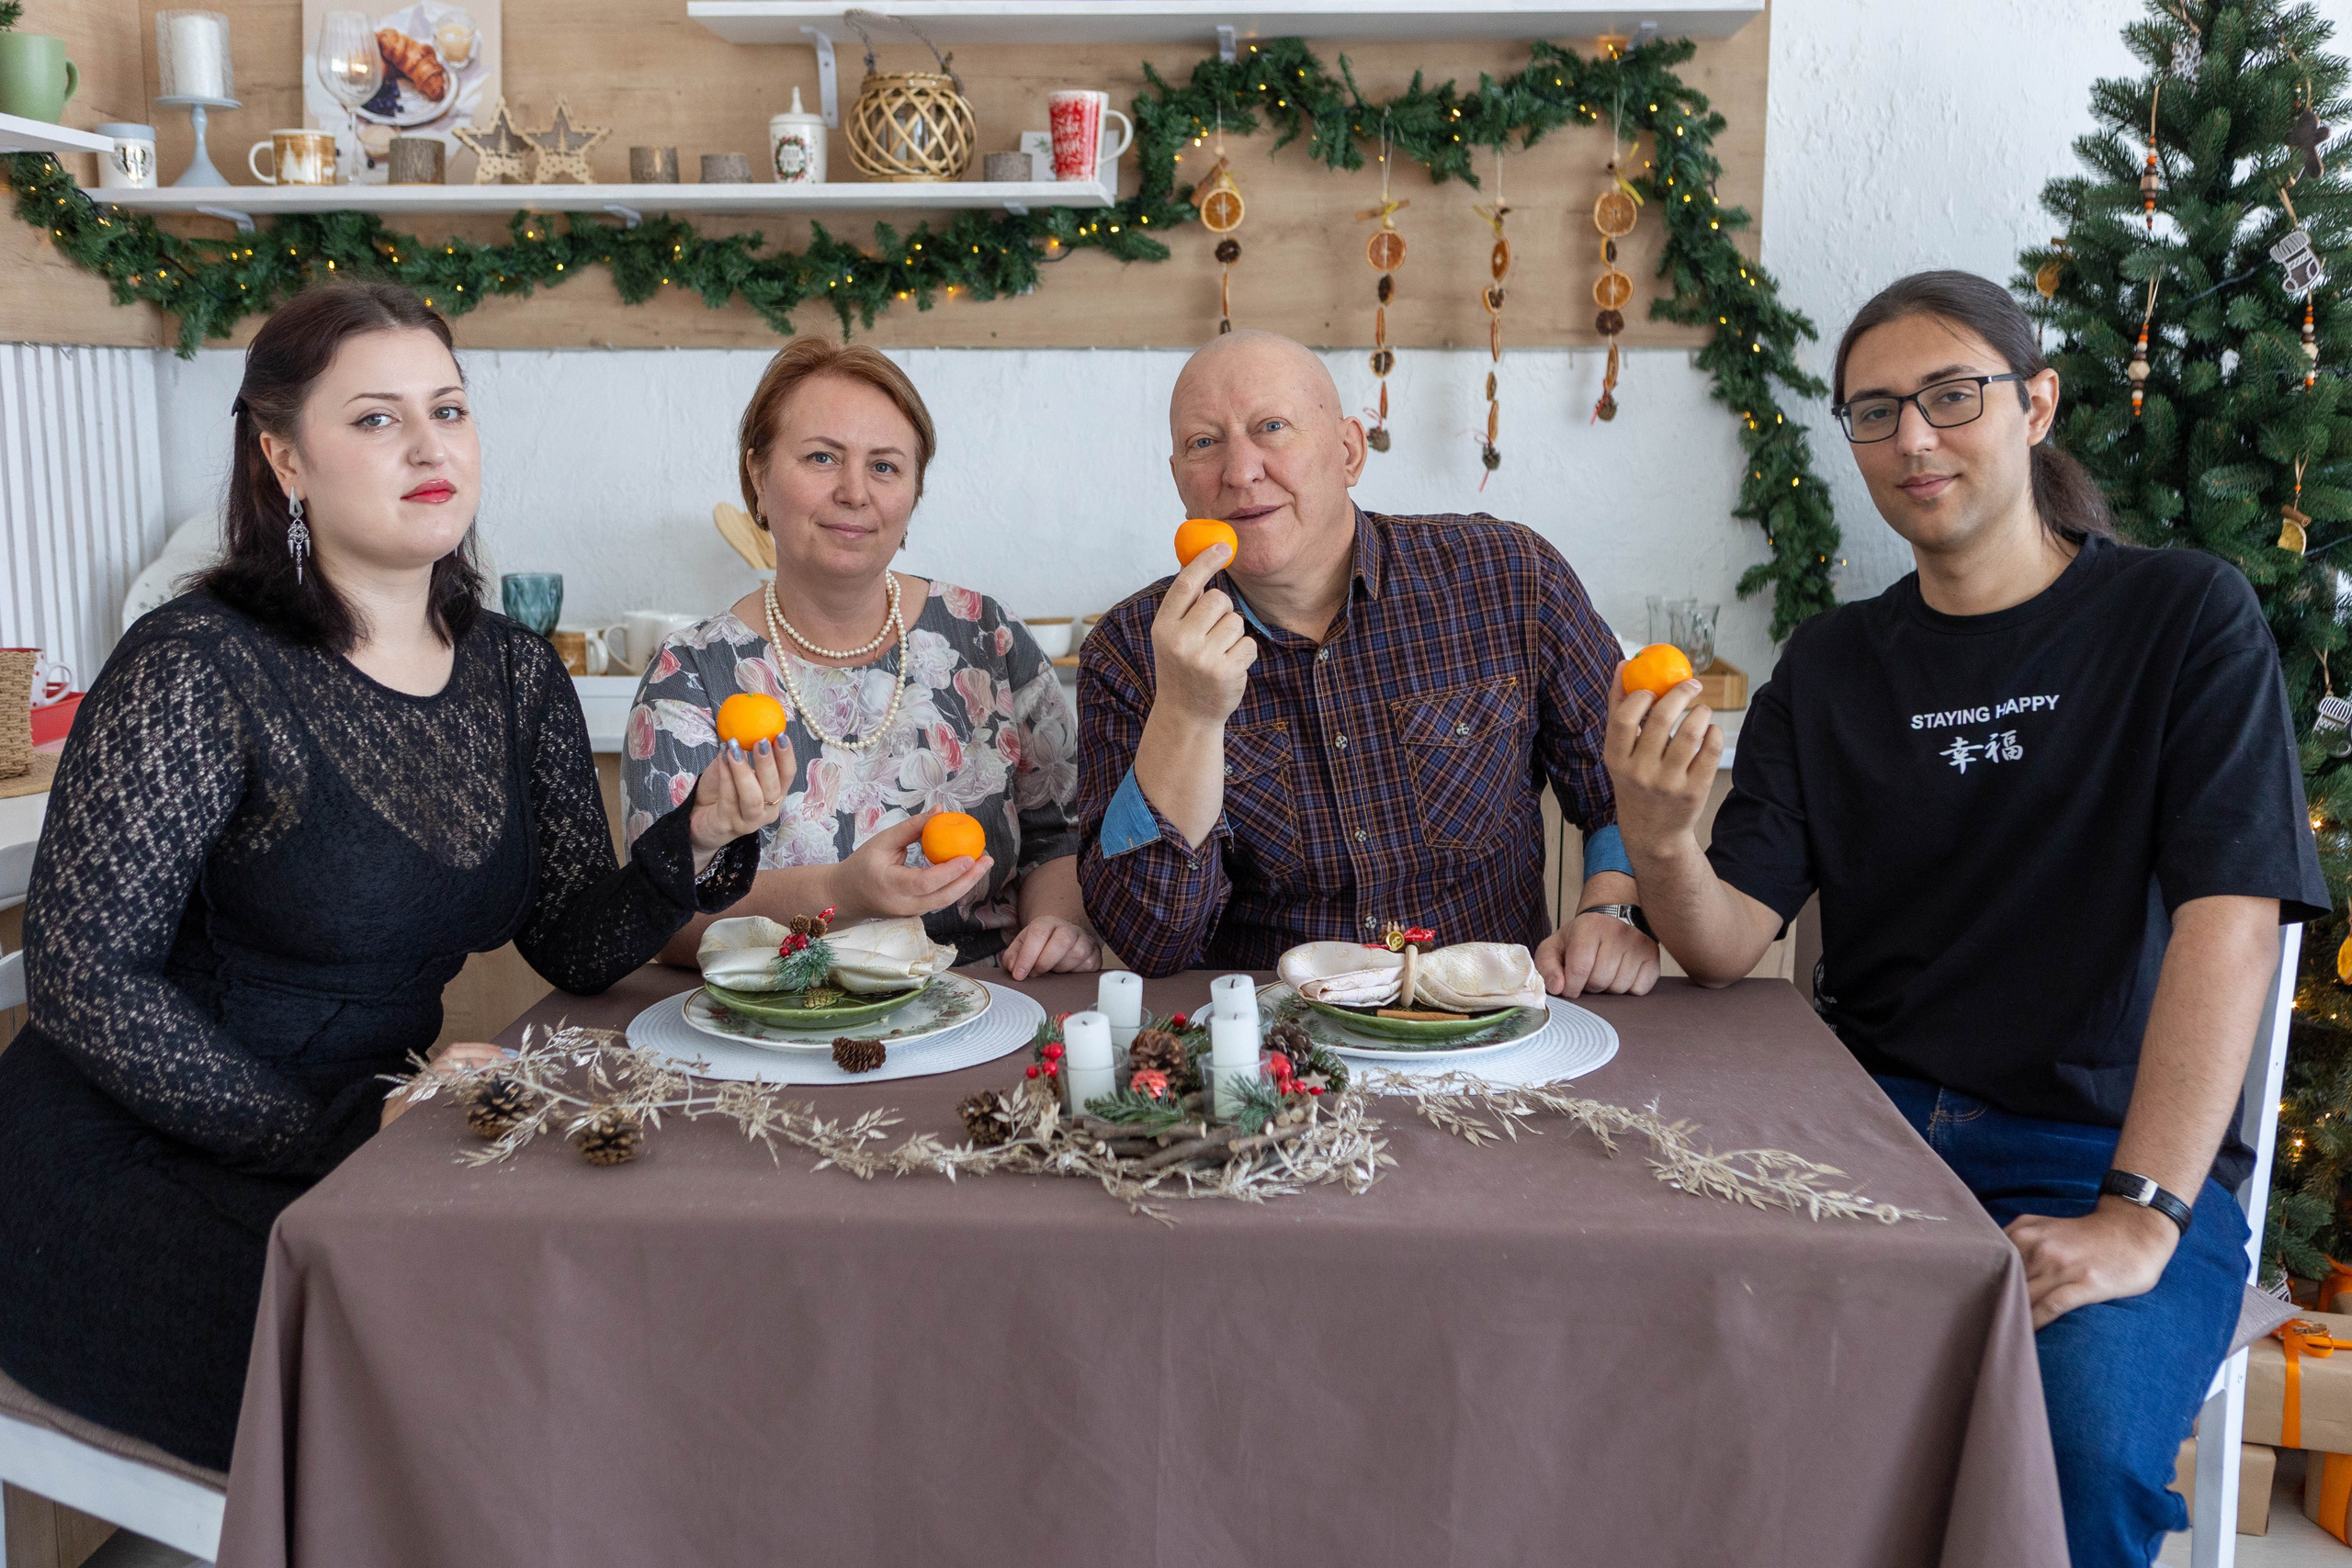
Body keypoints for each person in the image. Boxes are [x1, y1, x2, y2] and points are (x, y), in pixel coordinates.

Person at [1604, 270, 2327, 1567]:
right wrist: (1659, 839)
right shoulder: (1830, 665)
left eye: (1951, 396)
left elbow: (2232, 917)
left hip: (2105, 1150)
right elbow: (1722, 941)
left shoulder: (2180, 616)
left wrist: (2140, 1213)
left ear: (2035, 405)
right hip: (1861, 1136)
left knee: (2076, 1451)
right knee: (1693, 1393)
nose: (1913, 439)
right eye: (1875, 412)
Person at [0, 282, 783, 1472]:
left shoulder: (513, 672)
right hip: (136, 1162)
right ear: (284, 459)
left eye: (448, 409)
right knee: (462, 1381)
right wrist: (340, 1128)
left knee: (615, 1302)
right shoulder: (197, 663)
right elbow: (83, 980)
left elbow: (573, 941)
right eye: (376, 418)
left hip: (382, 1135)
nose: (430, 446)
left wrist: (699, 838)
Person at [1075, 329, 1658, 988]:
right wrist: (1186, 715)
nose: (1239, 471)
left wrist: (1613, 906)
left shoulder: (1510, 576)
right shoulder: (1127, 653)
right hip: (1275, 1038)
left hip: (1492, 1021)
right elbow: (1151, 942)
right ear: (1179, 478)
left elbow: (1624, 790)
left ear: (1349, 452)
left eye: (1272, 427)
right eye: (1204, 443)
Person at [627, 338, 1096, 979]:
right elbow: (663, 917)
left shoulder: (989, 638)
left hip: (988, 1001)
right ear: (758, 478)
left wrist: (1055, 924)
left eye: (884, 466)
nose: (855, 492)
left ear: (913, 493)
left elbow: (1059, 834)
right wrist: (840, 893)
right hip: (777, 1015)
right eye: (822, 457)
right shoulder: (690, 675)